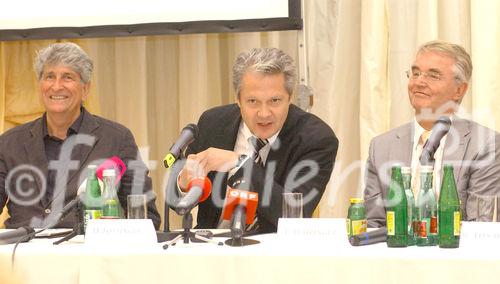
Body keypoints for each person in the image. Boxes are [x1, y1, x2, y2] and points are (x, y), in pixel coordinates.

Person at [176, 47, 338, 233]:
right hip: (212, 247)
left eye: (275, 101)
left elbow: (295, 215)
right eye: (253, 101)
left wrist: (241, 163)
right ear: (238, 99)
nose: (264, 113)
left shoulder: (316, 139)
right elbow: (174, 201)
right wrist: (183, 182)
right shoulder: (213, 123)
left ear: (290, 98)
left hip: (276, 252)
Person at [0, 42, 161, 229]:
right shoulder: (10, 142)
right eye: (49, 77)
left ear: (85, 89)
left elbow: (146, 217)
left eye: (67, 77)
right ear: (39, 86)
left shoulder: (117, 139)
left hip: (87, 254)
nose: (56, 86)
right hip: (22, 254)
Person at [364, 40, 500, 226]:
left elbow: (481, 226)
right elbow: (374, 224)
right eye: (415, 73)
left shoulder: (485, 144)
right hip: (394, 253)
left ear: (459, 90)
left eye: (433, 76)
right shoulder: (381, 146)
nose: (419, 82)